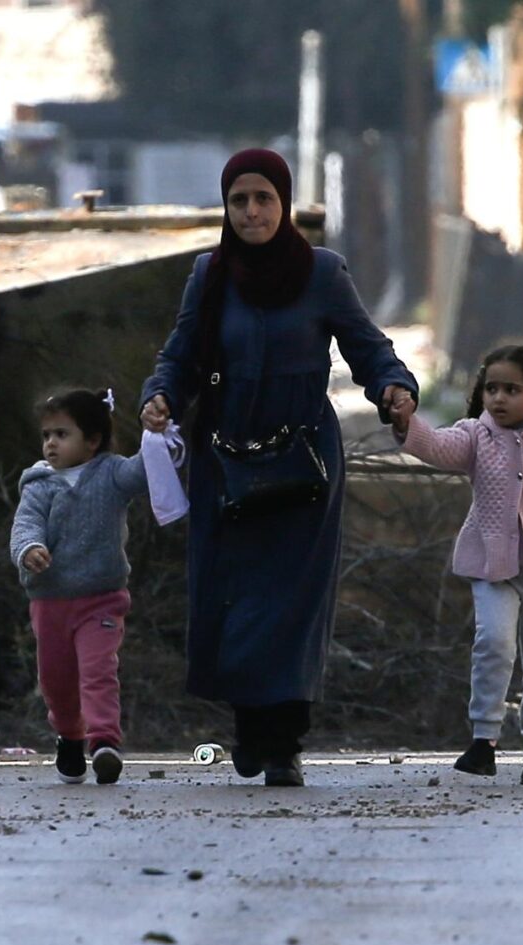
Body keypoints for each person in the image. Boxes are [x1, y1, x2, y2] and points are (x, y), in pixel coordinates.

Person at [139, 148, 418, 787]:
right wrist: (158, 396)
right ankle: (249, 728)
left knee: (293, 601)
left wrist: (395, 390)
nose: (252, 211)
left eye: (264, 198)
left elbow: (369, 348)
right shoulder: (209, 276)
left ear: (284, 203)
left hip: (304, 463)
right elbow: (179, 356)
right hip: (225, 459)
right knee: (234, 597)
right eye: (239, 200)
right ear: (226, 207)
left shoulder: (321, 273)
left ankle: (285, 744)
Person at [388, 336, 523, 785]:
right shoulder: (476, 434)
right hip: (494, 565)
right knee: (493, 644)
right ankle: (484, 740)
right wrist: (407, 422)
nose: (499, 398)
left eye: (512, 390)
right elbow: (435, 446)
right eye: (492, 389)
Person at [11, 388, 148, 785]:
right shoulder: (38, 484)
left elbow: (144, 472)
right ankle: (70, 734)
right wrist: (29, 549)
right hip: (50, 602)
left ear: (92, 440)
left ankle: (104, 742)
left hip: (101, 599)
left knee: (98, 670)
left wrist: (158, 436)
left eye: (62, 434)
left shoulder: (112, 474)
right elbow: (25, 525)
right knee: (56, 683)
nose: (51, 443)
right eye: (47, 435)